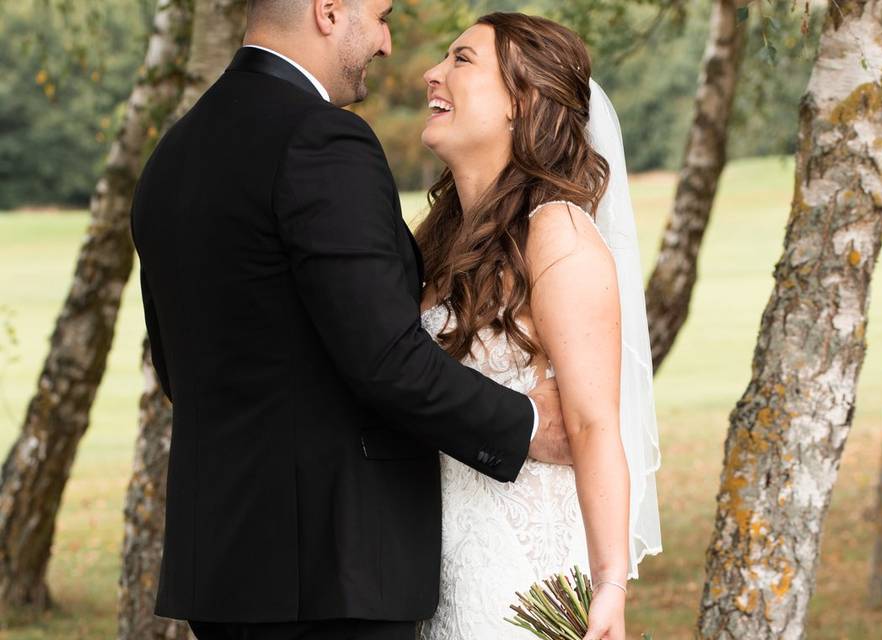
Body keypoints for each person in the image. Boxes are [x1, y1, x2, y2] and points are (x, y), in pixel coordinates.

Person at [128, 1, 573, 639]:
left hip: (223, 572)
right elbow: (387, 359)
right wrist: (529, 425)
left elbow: (176, 367)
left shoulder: (174, 154)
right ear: (330, 11)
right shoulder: (321, 138)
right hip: (334, 571)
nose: (389, 44)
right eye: (382, 15)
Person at [415, 13, 662, 640]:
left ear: (520, 104)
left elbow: (593, 423)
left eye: (461, 61)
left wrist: (609, 585)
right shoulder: (438, 241)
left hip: (522, 585)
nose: (431, 75)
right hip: (437, 574)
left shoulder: (559, 235)